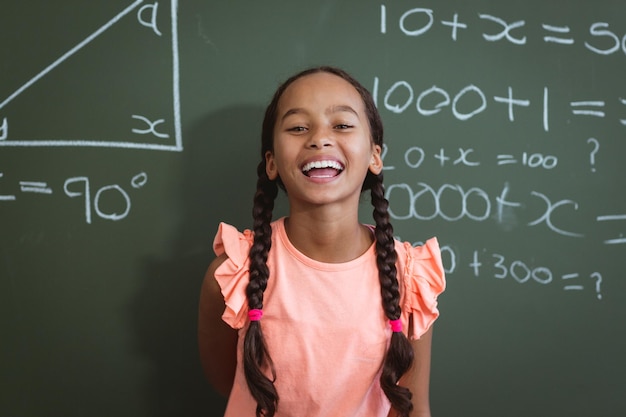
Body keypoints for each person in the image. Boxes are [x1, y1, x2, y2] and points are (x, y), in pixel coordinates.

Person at [198, 66, 445, 417]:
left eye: (342, 125)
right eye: (298, 127)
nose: (319, 138)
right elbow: (226, 380)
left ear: (375, 155)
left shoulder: (411, 279)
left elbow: (411, 408)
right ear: (271, 162)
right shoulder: (232, 274)